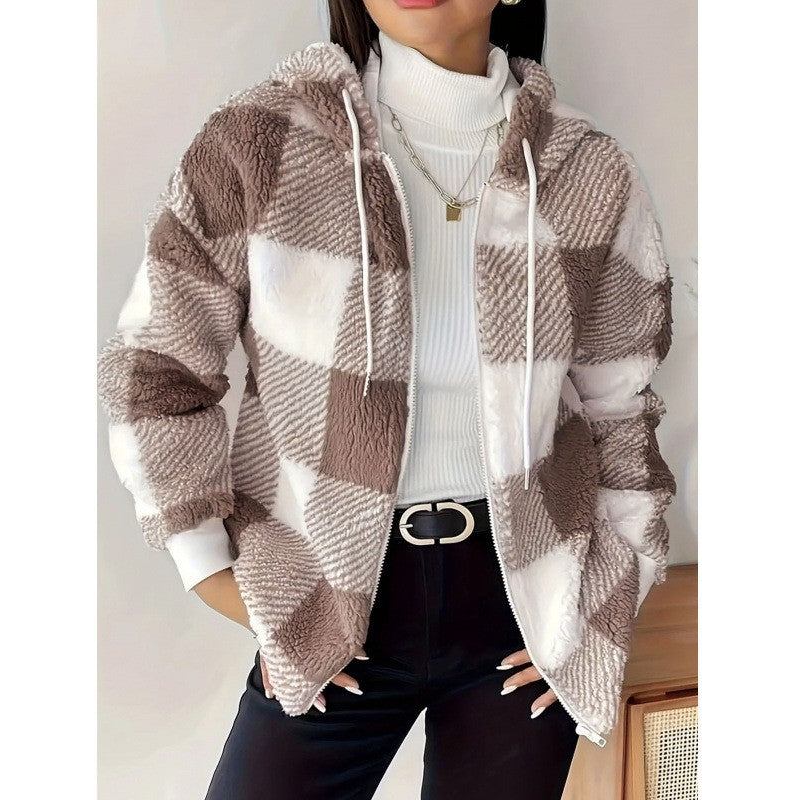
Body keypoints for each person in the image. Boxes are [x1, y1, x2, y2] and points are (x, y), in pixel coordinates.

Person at [97, 1, 677, 798]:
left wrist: (606, 600)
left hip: (524, 606)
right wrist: (211, 570)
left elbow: (622, 406)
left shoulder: (588, 169)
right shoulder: (260, 144)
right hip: (332, 603)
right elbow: (155, 368)